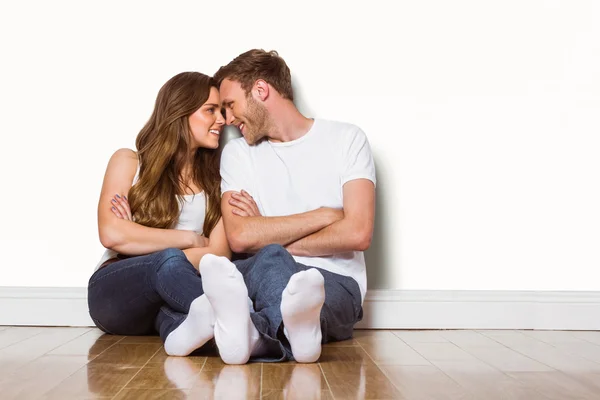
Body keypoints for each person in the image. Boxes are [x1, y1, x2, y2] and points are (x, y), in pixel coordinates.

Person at [198, 49, 376, 364]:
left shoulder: (347, 139)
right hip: (266, 271)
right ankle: (300, 337)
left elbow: (358, 232)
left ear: (261, 90)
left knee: (293, 277)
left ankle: (255, 335)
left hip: (334, 280)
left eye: (229, 105)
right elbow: (240, 237)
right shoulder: (238, 154)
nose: (226, 119)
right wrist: (324, 216)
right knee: (270, 260)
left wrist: (266, 229)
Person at [87, 71, 230, 356]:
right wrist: (190, 238)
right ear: (180, 111)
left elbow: (218, 253)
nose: (223, 120)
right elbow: (112, 234)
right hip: (115, 292)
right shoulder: (129, 161)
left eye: (223, 111)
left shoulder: (219, 178)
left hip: (171, 297)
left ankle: (199, 337)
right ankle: (242, 323)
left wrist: (138, 241)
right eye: (211, 110)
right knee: (168, 261)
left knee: (181, 321)